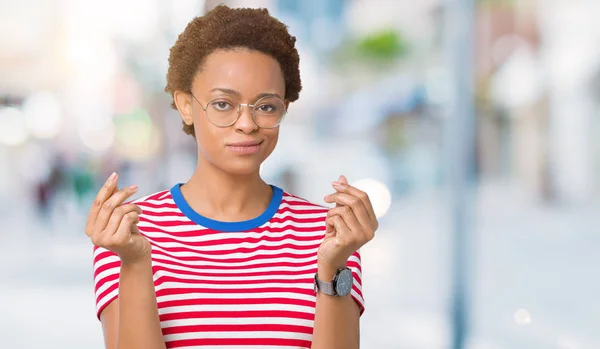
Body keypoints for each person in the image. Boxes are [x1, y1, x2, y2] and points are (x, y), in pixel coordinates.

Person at [87, 5, 378, 349]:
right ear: (185, 105)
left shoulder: (328, 236)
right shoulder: (130, 234)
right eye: (224, 104)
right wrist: (135, 263)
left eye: (266, 106)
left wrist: (332, 266)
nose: (247, 124)